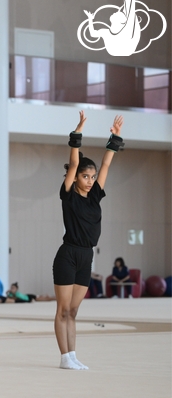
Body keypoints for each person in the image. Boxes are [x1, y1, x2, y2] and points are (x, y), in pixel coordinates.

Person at [52, 110, 124, 370]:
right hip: (68, 255)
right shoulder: (69, 195)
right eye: (85, 176)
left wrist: (113, 139)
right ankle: (64, 358)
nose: (90, 181)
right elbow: (73, 164)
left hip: (86, 256)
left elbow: (106, 165)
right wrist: (78, 132)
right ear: (75, 178)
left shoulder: (95, 196)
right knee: (62, 310)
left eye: (92, 177)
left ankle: (72, 355)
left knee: (73, 311)